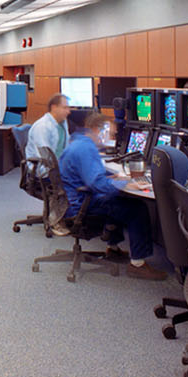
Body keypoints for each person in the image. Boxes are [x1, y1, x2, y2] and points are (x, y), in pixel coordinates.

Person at [58, 112, 165, 280]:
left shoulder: (79, 142)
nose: (113, 138)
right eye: (112, 134)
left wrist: (113, 178)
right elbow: (97, 185)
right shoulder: (86, 148)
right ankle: (137, 264)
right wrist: (125, 184)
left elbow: (89, 178)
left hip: (73, 201)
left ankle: (113, 249)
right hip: (81, 206)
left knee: (120, 199)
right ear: (98, 129)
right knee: (137, 209)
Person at [25, 93, 70, 175]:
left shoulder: (62, 123)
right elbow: (45, 158)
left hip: (59, 165)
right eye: (65, 108)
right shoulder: (42, 127)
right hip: (45, 171)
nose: (68, 111)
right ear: (54, 107)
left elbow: (66, 146)